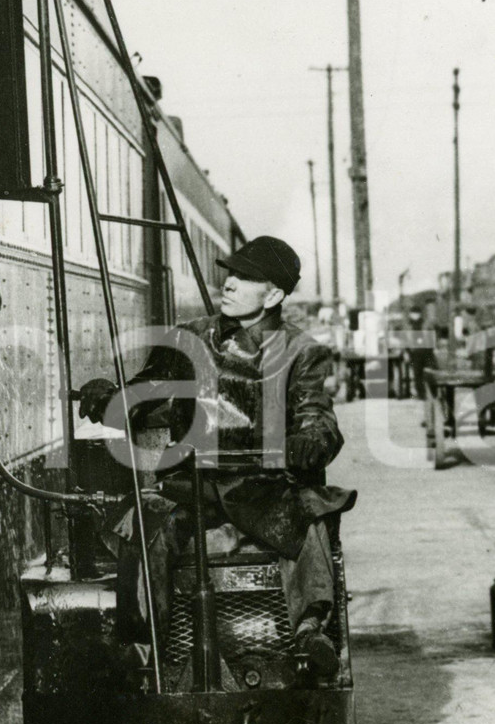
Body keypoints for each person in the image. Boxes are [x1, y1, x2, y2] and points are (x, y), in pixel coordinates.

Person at [78, 235, 356, 677]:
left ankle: (309, 634)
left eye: (245, 278)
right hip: (192, 489)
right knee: (147, 524)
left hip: (263, 491)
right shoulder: (189, 338)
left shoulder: (301, 352)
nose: (229, 283)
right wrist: (108, 397)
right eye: (231, 273)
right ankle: (141, 650)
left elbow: (317, 418)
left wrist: (311, 439)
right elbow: (142, 396)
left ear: (275, 294)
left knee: (310, 517)